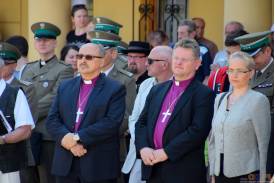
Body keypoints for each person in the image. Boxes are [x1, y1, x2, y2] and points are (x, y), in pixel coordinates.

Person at [135, 38, 214, 183]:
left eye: (185, 59)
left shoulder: (204, 94)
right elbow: (141, 123)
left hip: (183, 171)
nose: (178, 62)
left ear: (197, 64)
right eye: (176, 58)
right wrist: (143, 148)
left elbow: (197, 131)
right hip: (153, 167)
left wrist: (166, 152)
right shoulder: (157, 90)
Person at [46, 43, 126, 183]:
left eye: (88, 57)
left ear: (101, 61)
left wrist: (77, 138)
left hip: (97, 164)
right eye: (80, 56)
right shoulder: (65, 86)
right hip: (65, 162)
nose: (82, 60)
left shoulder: (115, 88)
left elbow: (111, 123)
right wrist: (68, 140)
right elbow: (52, 119)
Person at [21, 22, 74, 183]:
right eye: (39, 40)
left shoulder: (64, 69)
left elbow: (55, 98)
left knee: (47, 178)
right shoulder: (28, 69)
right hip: (26, 133)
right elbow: (20, 96)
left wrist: (24, 113)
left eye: (47, 39)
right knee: (27, 178)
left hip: (47, 134)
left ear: (55, 42)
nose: (42, 43)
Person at [208, 51, 271, 183]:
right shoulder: (219, 99)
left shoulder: (258, 101)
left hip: (246, 174)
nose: (234, 75)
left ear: (250, 73)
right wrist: (212, 172)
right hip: (219, 173)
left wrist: (264, 178)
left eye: (240, 71)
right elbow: (213, 140)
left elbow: (263, 145)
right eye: (230, 70)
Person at [89, 30, 137, 183]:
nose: (96, 55)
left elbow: (125, 116)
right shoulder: (81, 77)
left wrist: (89, 135)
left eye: (102, 51)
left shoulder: (124, 80)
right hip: (82, 148)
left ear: (114, 53)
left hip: (110, 146)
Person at [122, 45, 173, 183]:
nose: (146, 63)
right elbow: (135, 118)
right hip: (140, 151)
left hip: (163, 154)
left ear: (164, 65)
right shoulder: (146, 84)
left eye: (150, 61)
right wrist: (142, 143)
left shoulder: (177, 88)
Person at [235, 30, 274, 180]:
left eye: (254, 56)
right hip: (245, 146)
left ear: (268, 51)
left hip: (268, 144)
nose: (250, 60)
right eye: (247, 56)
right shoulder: (246, 72)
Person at [0, 46, 35, 183]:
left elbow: (25, 130)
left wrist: (2, 139)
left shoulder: (15, 93)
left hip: (8, 164)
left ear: (2, 71)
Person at [208, 30, 248, 94]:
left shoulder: (254, 76)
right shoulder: (219, 75)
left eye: (236, 55)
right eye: (228, 53)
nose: (230, 58)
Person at [177, 20, 212, 85]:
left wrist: (201, 92)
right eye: (178, 33)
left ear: (192, 34)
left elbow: (207, 76)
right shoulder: (175, 50)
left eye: (182, 33)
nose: (179, 36)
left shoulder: (203, 50)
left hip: (196, 89)